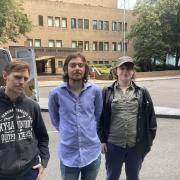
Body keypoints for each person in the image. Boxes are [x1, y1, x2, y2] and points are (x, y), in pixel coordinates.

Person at [97, 56, 157, 180]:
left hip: (135, 146)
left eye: (129, 68)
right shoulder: (106, 91)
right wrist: (102, 140)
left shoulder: (142, 92)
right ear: (116, 71)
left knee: (134, 177)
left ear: (133, 71)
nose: (126, 71)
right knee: (112, 176)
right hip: (113, 145)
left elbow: (151, 120)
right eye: (122, 68)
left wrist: (148, 143)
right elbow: (100, 117)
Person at [48, 53, 103, 180]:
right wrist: (67, 131)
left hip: (92, 152)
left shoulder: (95, 91)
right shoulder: (55, 94)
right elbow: (55, 120)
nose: (77, 68)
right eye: (73, 65)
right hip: (68, 154)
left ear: (85, 69)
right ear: (66, 69)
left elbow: (97, 116)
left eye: (80, 65)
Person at [0, 60, 50, 180]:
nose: (22, 82)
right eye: (17, 77)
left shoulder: (32, 106)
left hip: (29, 171)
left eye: (25, 78)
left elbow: (42, 136)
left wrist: (43, 161)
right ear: (5, 75)